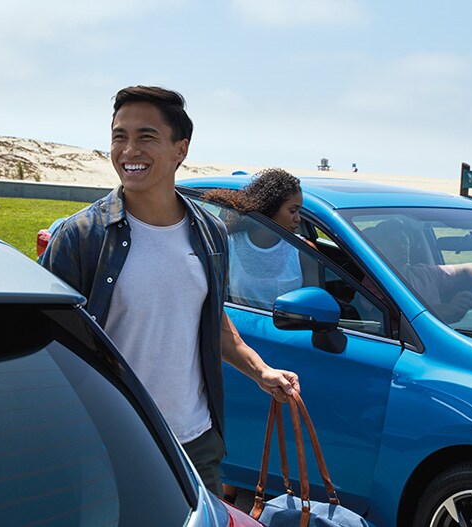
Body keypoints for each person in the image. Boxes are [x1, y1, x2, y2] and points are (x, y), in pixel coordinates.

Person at [40, 86, 300, 498]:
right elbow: (46, 342)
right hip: (114, 438)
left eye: (146, 137)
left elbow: (208, 319)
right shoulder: (81, 237)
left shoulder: (210, 233)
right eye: (119, 136)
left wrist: (259, 369)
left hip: (196, 441)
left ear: (180, 149)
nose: (129, 150)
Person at [203, 168, 309, 306]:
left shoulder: (303, 251)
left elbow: (315, 308)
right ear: (271, 208)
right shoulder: (229, 244)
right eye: (293, 211)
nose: (298, 219)